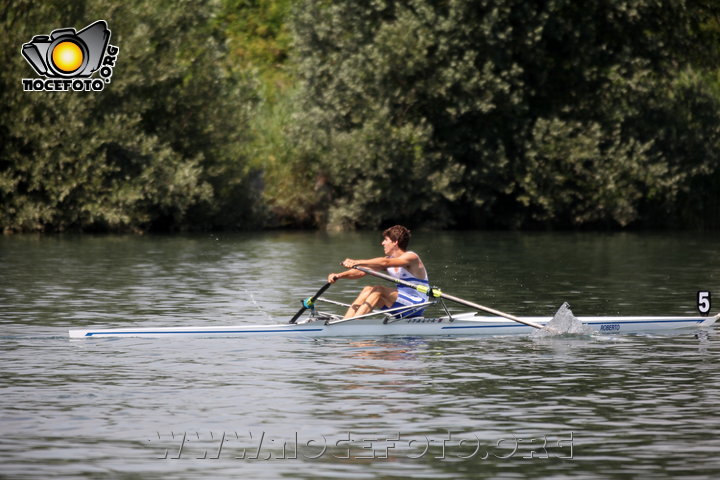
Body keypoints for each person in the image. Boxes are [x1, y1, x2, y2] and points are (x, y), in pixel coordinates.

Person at [328, 225, 430, 319]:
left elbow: (385, 262)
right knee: (367, 289)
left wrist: (356, 261)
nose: (382, 243)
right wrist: (339, 275)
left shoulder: (411, 257)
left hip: (417, 304)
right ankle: (346, 321)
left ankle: (354, 323)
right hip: (404, 303)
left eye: (386, 240)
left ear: (395, 242)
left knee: (378, 289)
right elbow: (361, 272)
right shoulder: (388, 261)